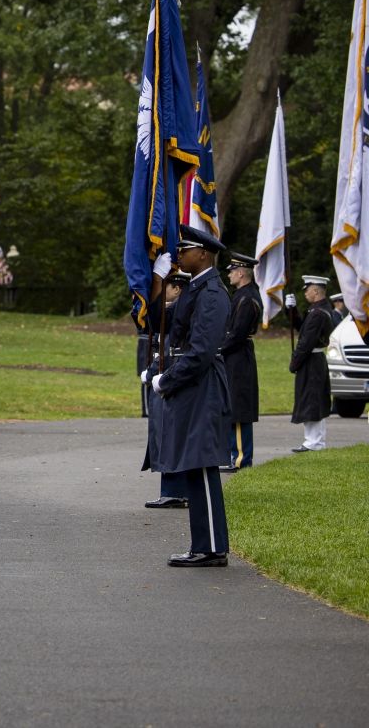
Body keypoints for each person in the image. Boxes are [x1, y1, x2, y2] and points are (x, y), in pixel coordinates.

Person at [146, 225, 232, 567]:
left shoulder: (212, 293)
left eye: (185, 250)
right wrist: (155, 280)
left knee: (202, 465)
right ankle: (205, 545)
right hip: (191, 385)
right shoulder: (195, 288)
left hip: (201, 385)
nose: (179, 255)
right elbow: (156, 321)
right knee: (193, 466)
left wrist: (167, 381)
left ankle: (212, 548)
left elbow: (201, 352)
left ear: (205, 254)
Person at [143, 268, 190, 509]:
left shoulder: (181, 311)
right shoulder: (172, 310)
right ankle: (173, 490)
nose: (163, 293)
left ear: (178, 288)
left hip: (171, 380)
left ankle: (174, 491)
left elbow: (172, 350)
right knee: (165, 435)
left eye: (166, 287)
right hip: (164, 376)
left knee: (169, 435)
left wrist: (155, 373)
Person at [221, 252, 261, 470]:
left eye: (231, 271)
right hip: (236, 353)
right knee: (233, 404)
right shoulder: (243, 294)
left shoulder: (247, 298)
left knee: (238, 406)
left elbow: (237, 333)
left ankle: (240, 458)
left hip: (238, 355)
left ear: (241, 273)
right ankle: (234, 454)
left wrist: (219, 349)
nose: (228, 275)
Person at [287, 275, 334, 453]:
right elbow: (302, 328)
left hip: (311, 360)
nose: (305, 293)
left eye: (307, 290)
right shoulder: (317, 310)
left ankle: (312, 442)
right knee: (313, 399)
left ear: (315, 291)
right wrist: (291, 310)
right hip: (315, 360)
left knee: (312, 400)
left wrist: (295, 363)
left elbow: (306, 342)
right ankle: (316, 441)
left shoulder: (318, 314)